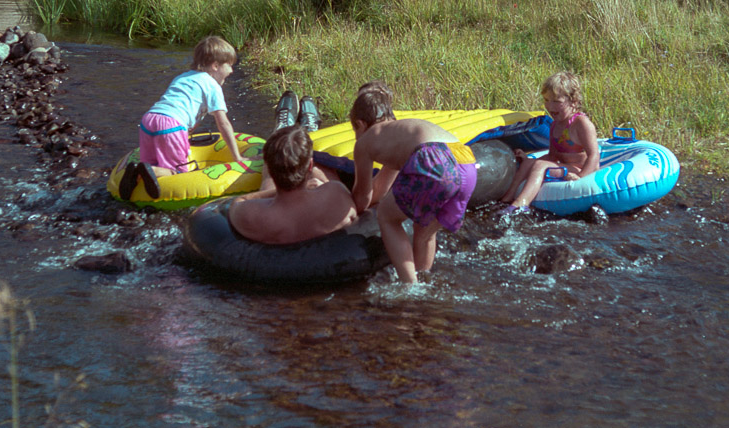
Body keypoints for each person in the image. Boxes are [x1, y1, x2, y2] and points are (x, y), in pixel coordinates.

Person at [349, 86, 477, 284]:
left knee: (386, 217)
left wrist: (351, 209)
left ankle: (410, 286)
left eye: (354, 131)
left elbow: (363, 197)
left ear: (360, 124)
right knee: (424, 230)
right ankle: (424, 280)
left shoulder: (365, 141)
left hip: (434, 159)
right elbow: (383, 187)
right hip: (466, 162)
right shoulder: (400, 132)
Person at [119, 35, 247, 200]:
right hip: (171, 124)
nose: (232, 70)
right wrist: (237, 157)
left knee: (151, 161)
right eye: (229, 65)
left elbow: (185, 112)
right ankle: (150, 171)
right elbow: (223, 123)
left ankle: (139, 172)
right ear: (215, 65)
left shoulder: (183, 77)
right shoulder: (212, 85)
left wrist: (184, 136)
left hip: (149, 120)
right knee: (179, 171)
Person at [228, 124, 358, 244]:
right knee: (321, 168)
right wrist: (309, 187)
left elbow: (238, 201)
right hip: (332, 254)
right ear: (309, 166)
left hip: (276, 235)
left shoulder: (248, 214)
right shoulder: (337, 193)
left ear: (272, 171)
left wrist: (280, 190)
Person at [499, 71, 599, 210]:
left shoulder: (581, 123)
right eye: (546, 100)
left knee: (540, 166)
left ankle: (520, 205)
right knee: (530, 163)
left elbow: (594, 155)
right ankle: (506, 199)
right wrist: (527, 159)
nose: (550, 106)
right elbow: (552, 156)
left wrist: (580, 177)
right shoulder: (554, 124)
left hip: (579, 168)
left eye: (557, 102)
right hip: (564, 166)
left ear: (574, 102)